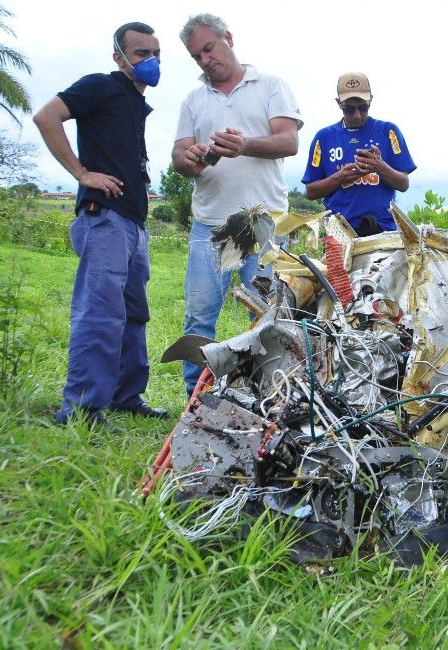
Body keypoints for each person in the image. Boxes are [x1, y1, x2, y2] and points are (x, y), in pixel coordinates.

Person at [33, 21, 168, 427]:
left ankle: (126, 395)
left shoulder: (134, 103)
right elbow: (47, 117)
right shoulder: (100, 86)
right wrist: (81, 173)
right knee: (101, 312)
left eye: (156, 53)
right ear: (119, 58)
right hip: (104, 218)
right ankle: (81, 408)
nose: (152, 61)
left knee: (133, 311)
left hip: (132, 223)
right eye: (142, 53)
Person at [171, 13, 303, 395]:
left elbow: (288, 141)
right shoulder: (193, 100)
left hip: (264, 224)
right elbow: (178, 156)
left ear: (228, 38)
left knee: (268, 315)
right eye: (196, 56)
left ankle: (267, 394)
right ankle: (194, 396)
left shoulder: (271, 86)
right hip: (211, 224)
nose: (205, 60)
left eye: (209, 48)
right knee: (199, 315)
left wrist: (245, 144)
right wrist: (190, 157)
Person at [301, 72, 415, 236]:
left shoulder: (389, 132)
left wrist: (380, 167)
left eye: (363, 107)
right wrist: (339, 177)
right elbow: (310, 192)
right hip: (339, 231)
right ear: (338, 103)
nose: (357, 115)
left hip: (384, 229)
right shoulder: (323, 138)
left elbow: (404, 184)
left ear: (371, 100)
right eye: (349, 109)